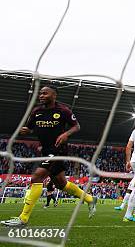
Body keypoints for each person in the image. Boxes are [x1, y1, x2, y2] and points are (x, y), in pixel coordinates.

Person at [1, 86, 97, 227]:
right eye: (40, 93)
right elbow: (31, 127)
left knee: (37, 177)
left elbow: (76, 126)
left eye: (45, 93)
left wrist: (66, 134)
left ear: (54, 95)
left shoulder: (63, 110)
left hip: (58, 150)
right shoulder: (36, 112)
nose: (41, 95)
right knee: (60, 183)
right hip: (46, 151)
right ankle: (89, 199)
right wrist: (26, 130)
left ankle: (23, 219)